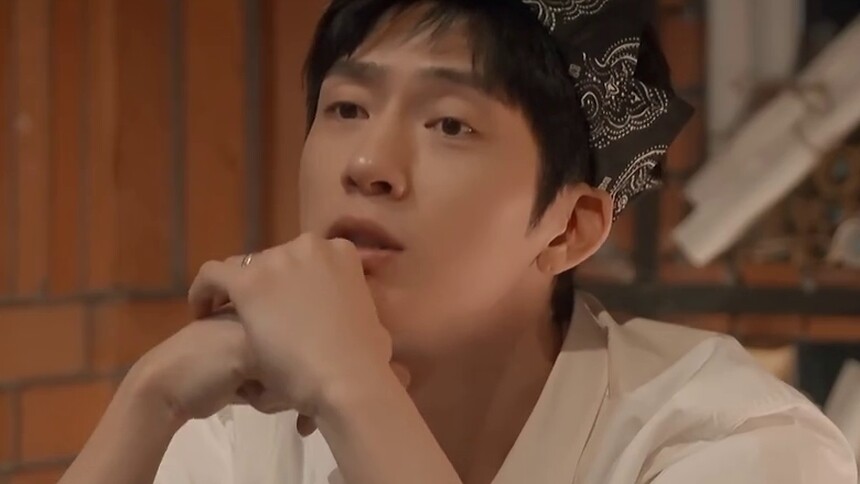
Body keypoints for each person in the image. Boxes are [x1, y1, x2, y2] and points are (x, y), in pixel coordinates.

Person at [59, 1, 857, 483]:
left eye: (449, 124)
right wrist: (150, 398)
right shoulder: (239, 432)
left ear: (569, 228)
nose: (368, 164)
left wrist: (353, 392)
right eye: (346, 109)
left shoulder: (733, 445)